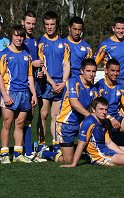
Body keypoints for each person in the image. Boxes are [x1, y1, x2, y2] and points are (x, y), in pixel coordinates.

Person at [60, 97, 124, 167]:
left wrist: (122, 152)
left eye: (106, 110)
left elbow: (109, 143)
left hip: (107, 150)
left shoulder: (104, 122)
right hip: (100, 157)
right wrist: (73, 164)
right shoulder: (89, 122)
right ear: (93, 110)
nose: (104, 112)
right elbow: (81, 144)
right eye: (101, 109)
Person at [0, 25, 37, 164]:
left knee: (20, 124)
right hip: (10, 93)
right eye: (16, 35)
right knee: (7, 124)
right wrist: (4, 95)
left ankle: (17, 153)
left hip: (24, 94)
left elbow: (30, 77)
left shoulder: (26, 55)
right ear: (11, 36)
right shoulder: (4, 54)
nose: (19, 38)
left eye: (21, 36)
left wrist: (33, 94)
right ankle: (4, 154)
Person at [37, 11, 70, 151]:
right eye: (47, 24)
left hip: (59, 84)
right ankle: (41, 145)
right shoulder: (41, 42)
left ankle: (56, 144)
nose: (49, 27)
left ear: (56, 25)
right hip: (46, 84)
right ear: (44, 25)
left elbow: (67, 64)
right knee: (43, 115)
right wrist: (52, 83)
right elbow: (41, 66)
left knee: (55, 116)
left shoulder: (64, 44)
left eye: (52, 24)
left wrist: (63, 82)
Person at [54, 58, 96, 163]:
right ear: (82, 71)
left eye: (93, 71)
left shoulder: (93, 88)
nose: (91, 74)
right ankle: (46, 153)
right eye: (88, 71)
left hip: (80, 123)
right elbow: (74, 103)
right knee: (69, 160)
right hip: (65, 124)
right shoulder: (73, 81)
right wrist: (91, 116)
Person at [21, 11, 46, 161]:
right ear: (22, 22)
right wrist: (33, 63)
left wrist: (39, 73)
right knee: (19, 118)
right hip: (21, 85)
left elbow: (33, 66)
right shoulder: (19, 40)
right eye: (28, 23)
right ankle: (25, 150)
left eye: (33, 23)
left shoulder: (35, 40)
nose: (30, 26)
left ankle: (28, 149)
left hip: (33, 83)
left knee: (30, 115)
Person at [94, 17, 124, 83]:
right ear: (113, 28)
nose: (121, 31)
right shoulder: (105, 45)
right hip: (112, 82)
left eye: (123, 28)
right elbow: (93, 64)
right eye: (118, 28)